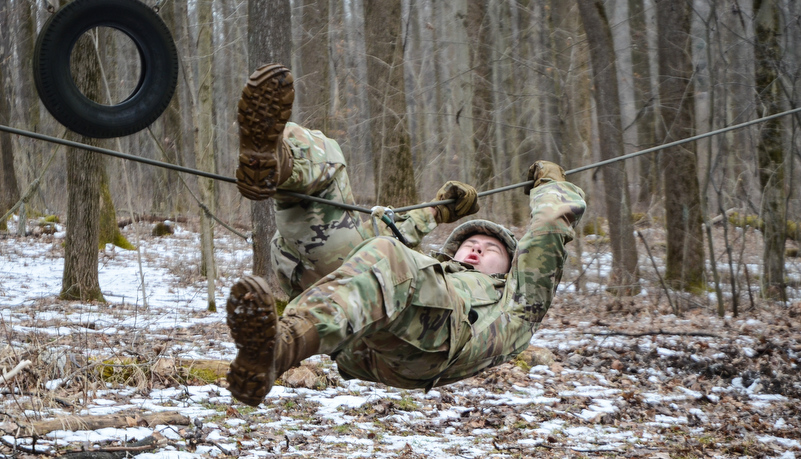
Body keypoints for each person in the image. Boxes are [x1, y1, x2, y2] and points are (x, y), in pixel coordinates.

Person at [226, 64, 586, 407]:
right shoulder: (427, 270)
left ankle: (277, 348)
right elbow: (376, 238)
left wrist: (554, 186)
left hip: (435, 346)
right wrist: (438, 211)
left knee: (388, 257)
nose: (476, 249)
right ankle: (275, 161)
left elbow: (549, 231)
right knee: (329, 161)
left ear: (510, 268)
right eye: (469, 244)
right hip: (358, 330)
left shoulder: (519, 302)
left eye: (490, 249)